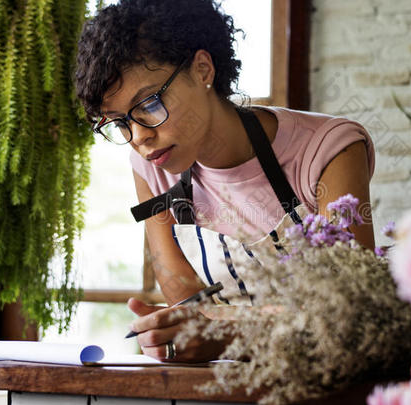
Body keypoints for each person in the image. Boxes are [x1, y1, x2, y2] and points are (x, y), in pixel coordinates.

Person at [75, 0, 375, 363]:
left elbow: (349, 312)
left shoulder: (328, 149)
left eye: (150, 105)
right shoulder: (150, 166)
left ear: (203, 69)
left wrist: (226, 333)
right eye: (120, 123)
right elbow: (186, 300)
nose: (138, 137)